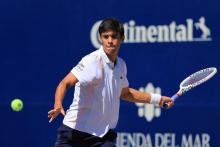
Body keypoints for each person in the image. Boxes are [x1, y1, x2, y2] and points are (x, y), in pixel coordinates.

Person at [48, 18, 174, 147]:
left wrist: (158, 99)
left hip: (103, 137)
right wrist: (58, 103)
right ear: (100, 38)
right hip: (74, 134)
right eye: (105, 36)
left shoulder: (121, 65)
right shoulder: (91, 61)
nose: (110, 41)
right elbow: (65, 83)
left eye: (114, 37)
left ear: (122, 38)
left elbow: (125, 93)